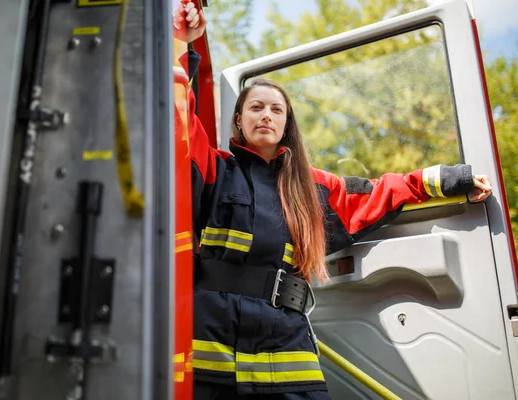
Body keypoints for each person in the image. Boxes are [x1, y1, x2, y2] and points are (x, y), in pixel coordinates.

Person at [174, 2, 493, 399]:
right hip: (212, 352)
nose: (266, 115)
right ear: (239, 120)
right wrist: (184, 48)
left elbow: (379, 193)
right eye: (255, 107)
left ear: (287, 124)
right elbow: (181, 124)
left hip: (285, 351)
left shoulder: (313, 188)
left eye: (277, 110)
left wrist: (448, 179)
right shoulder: (217, 168)